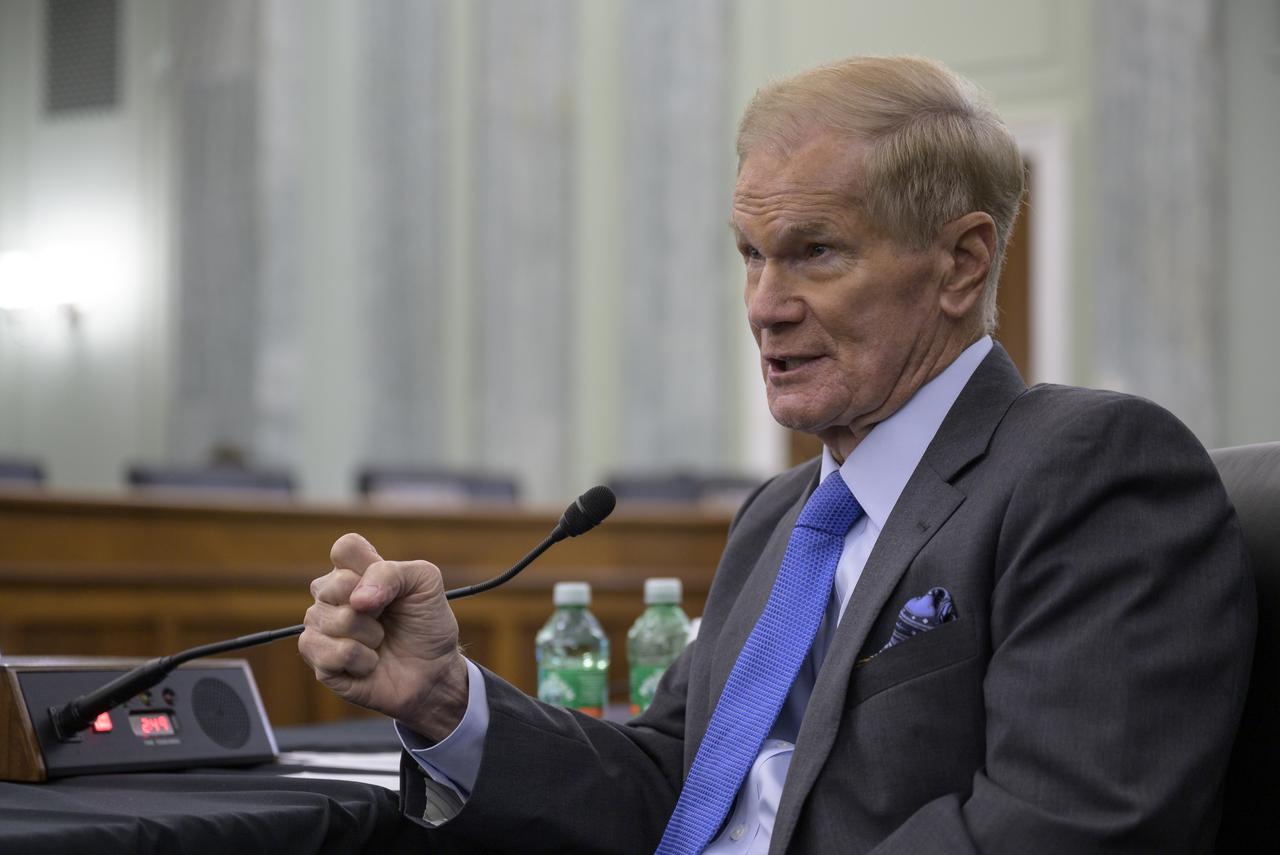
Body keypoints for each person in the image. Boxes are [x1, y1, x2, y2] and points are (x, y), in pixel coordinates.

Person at [298, 56, 1255, 854]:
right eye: (751, 254)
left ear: (961, 263)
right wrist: (443, 698)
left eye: (816, 252)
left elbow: (1068, 826)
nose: (764, 303)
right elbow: (670, 783)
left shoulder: (1089, 469)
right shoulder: (780, 517)